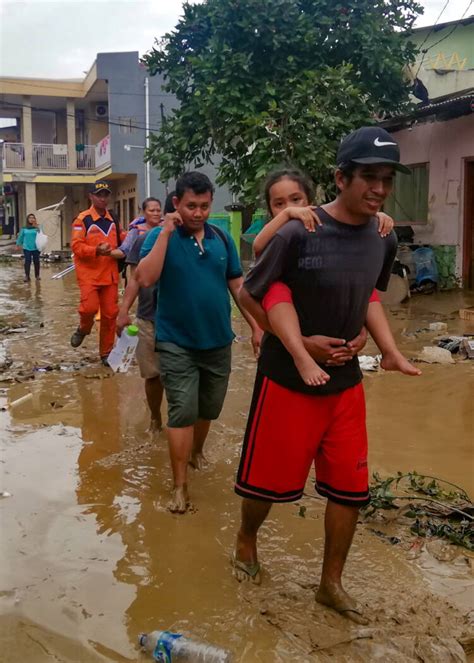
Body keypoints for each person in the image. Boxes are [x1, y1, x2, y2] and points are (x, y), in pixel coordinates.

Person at [233, 127, 421, 625]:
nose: (379, 189)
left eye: (386, 179)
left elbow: (371, 298)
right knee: (265, 486)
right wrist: (297, 344)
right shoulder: (297, 231)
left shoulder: (382, 235)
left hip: (345, 382)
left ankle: (329, 583)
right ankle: (247, 539)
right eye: (368, 178)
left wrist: (385, 347)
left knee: (349, 488)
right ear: (341, 178)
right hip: (287, 380)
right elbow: (254, 293)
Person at [136, 172, 260, 513]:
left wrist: (256, 326)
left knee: (209, 409)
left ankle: (196, 452)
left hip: (218, 341)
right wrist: (165, 231)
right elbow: (145, 278)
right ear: (176, 204)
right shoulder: (160, 237)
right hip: (176, 342)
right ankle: (179, 487)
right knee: (182, 411)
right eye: (191, 206)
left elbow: (237, 286)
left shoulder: (222, 238)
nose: (199, 213)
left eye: (205, 206)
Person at [251, 169, 413, 385]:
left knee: (367, 290)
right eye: (279, 204)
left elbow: (345, 218)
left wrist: (376, 215)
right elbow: (257, 246)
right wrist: (287, 215)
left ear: (309, 201)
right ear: (270, 209)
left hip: (342, 365)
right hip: (280, 296)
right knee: (278, 291)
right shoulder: (281, 231)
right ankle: (302, 357)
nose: (289, 207)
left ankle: (390, 351)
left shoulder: (322, 225)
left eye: (296, 200)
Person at [116, 197, 164, 432]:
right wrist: (124, 310)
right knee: (153, 374)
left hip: (177, 320)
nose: (157, 213)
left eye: (159, 210)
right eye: (151, 210)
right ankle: (155, 418)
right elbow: (135, 278)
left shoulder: (190, 242)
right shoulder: (141, 239)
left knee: (177, 376)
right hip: (147, 315)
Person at [70, 180, 126, 365]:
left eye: (105, 195)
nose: (103, 198)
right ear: (91, 197)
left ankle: (106, 353)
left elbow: (123, 238)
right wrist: (96, 250)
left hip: (109, 275)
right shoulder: (82, 219)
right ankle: (83, 329)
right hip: (89, 275)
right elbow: (77, 247)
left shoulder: (114, 219)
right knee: (89, 308)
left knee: (110, 314)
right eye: (99, 195)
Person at [17, 213, 41, 282]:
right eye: (30, 218)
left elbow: (41, 235)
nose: (31, 219)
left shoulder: (37, 227)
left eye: (33, 218)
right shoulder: (24, 228)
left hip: (36, 247)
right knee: (27, 261)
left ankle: (37, 275)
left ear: (35, 219)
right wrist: (18, 244)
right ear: (27, 219)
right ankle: (27, 276)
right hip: (26, 247)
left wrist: (37, 227)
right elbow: (20, 237)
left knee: (37, 261)